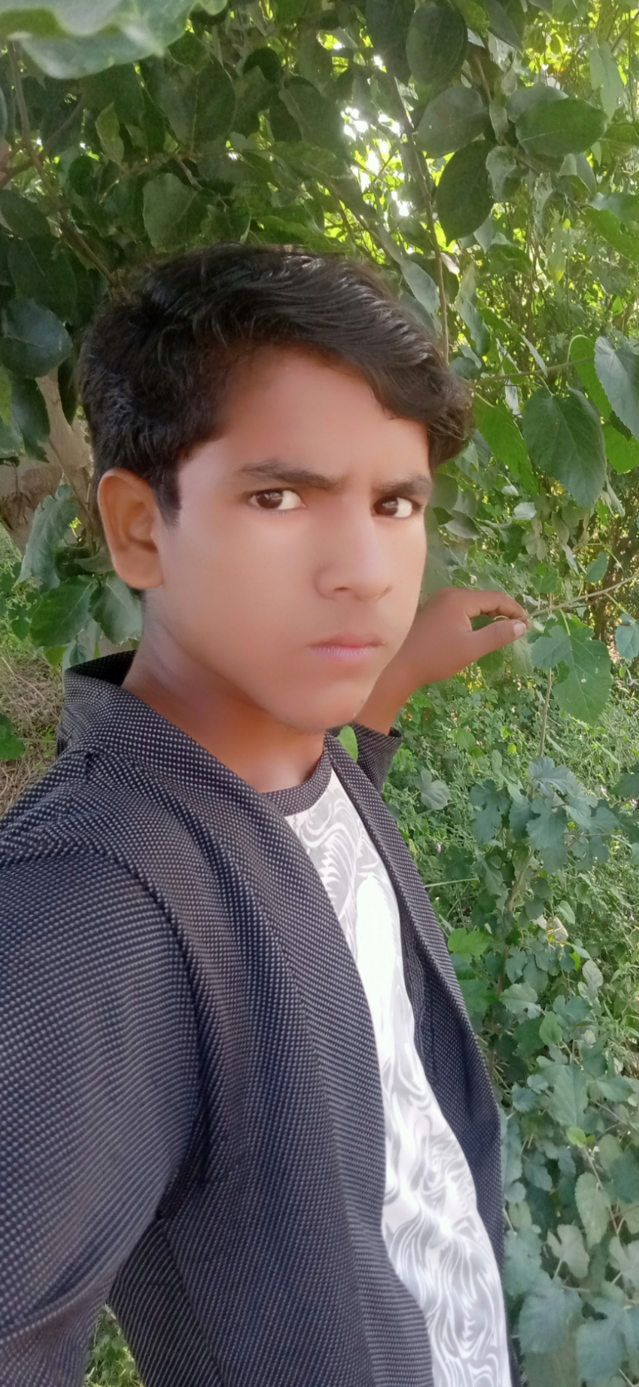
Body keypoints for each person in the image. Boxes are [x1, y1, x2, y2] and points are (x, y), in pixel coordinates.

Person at [0, 243, 528, 1387]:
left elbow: (310, 843)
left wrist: (387, 686)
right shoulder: (90, 910)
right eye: (278, 496)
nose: (365, 571)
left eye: (395, 503)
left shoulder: (278, 748)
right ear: (140, 528)